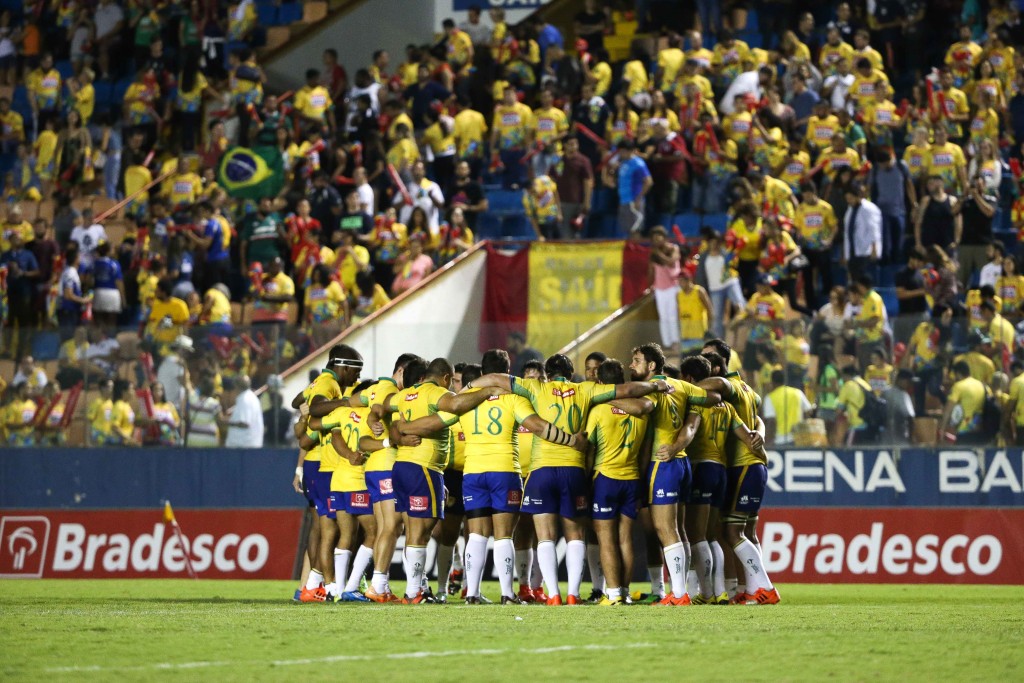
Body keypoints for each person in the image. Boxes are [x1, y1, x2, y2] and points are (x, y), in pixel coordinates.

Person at [469, 353, 673, 605]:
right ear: (571, 371)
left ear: (548, 373)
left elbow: (493, 378)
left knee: (545, 535)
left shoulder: (534, 387)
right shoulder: (584, 389)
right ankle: (574, 595)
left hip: (542, 469)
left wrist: (468, 388)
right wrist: (656, 385)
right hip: (574, 471)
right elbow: (628, 389)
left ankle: (553, 594)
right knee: (575, 534)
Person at [398, 350, 585, 604]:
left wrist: (403, 429)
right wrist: (572, 440)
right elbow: (538, 426)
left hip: (473, 472)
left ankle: (472, 593)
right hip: (505, 470)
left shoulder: (463, 400)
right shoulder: (513, 399)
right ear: (507, 371)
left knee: (475, 534)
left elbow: (436, 422)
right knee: (504, 535)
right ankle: (508, 594)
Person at [377, 358, 500, 603]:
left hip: (402, 466)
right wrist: (489, 391)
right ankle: (415, 592)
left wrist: (397, 433)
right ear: (445, 378)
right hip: (424, 467)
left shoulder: (407, 394)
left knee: (414, 531)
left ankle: (415, 589)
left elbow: (382, 408)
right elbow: (454, 404)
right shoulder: (436, 393)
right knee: (421, 532)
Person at [625, 344, 719, 605]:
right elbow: (714, 398)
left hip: (662, 462)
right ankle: (684, 590)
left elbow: (639, 408)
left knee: (664, 529)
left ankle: (678, 595)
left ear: (652, 365)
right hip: (682, 463)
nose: (631, 365)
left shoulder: (653, 391)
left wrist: (605, 395)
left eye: (636, 360)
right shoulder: (681, 386)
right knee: (678, 530)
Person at [669, 354, 763, 604]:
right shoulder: (728, 406)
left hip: (702, 467)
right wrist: (762, 451)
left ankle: (709, 592)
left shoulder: (696, 404)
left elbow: (689, 430)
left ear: (688, 378)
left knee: (696, 534)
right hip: (721, 470)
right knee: (712, 535)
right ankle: (720, 590)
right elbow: (748, 435)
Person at [584, 358, 654, 606]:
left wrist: (585, 480)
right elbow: (646, 451)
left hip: (606, 478)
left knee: (606, 539)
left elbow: (589, 450)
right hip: (633, 478)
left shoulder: (598, 410)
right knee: (625, 538)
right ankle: (624, 592)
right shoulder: (642, 412)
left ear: (601, 383)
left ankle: (612, 594)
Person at [648, 226, 681, 355]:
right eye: (654, 239)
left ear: (664, 238)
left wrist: (658, 254)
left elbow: (672, 261)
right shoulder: (653, 253)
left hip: (672, 286)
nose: (656, 241)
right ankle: (666, 344)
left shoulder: (673, 248)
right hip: (659, 288)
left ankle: (675, 342)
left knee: (672, 316)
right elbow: (651, 270)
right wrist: (650, 285)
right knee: (663, 317)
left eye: (658, 238)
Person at [842, 181, 882, 283]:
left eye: (850, 198)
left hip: (866, 253)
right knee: (854, 281)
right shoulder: (850, 209)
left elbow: (874, 230)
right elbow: (847, 232)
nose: (849, 201)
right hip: (853, 251)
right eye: (847, 199)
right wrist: (846, 254)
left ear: (857, 196)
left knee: (865, 282)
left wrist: (874, 248)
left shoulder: (869, 208)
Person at [611, 139, 652, 236]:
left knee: (635, 230)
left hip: (633, 201)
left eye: (622, 151)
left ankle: (638, 251)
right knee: (627, 230)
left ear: (629, 151)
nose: (620, 153)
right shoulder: (622, 163)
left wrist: (639, 198)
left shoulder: (638, 163)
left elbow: (648, 182)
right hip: (623, 200)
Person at [941, 360, 988, 446]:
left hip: (964, 430)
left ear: (958, 373)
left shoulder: (959, 386)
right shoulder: (982, 385)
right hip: (980, 429)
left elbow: (948, 409)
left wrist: (942, 429)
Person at [836, 365, 876, 446]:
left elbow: (839, 410)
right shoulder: (865, 384)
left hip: (856, 425)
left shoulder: (848, 385)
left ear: (846, 375)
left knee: (849, 454)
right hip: (870, 425)